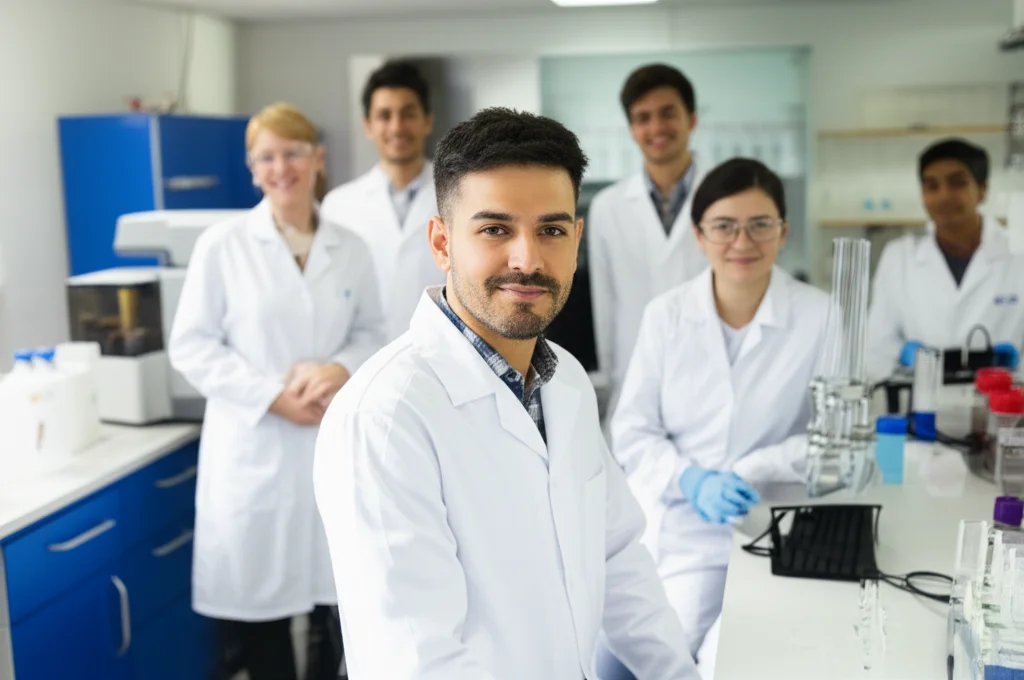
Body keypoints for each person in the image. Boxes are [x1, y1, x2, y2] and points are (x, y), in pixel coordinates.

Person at [313, 108, 700, 680]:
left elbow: (617, 560)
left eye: (551, 229)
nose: (528, 259)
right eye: (495, 229)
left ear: (576, 238)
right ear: (442, 242)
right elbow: (419, 661)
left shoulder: (564, 380)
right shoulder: (386, 415)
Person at [168, 102, 386, 680]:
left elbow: (373, 333)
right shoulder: (224, 245)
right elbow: (191, 345)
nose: (280, 167)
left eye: (293, 153)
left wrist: (337, 368)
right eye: (266, 157)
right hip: (255, 448)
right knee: (262, 623)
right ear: (252, 168)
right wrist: (272, 395)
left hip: (328, 441)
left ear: (317, 160)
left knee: (337, 607)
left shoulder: (351, 247)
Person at [603, 158, 832, 679]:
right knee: (656, 655)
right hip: (686, 523)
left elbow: (835, 439)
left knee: (738, 661)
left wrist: (757, 465)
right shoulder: (666, 314)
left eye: (760, 225)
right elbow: (632, 430)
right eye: (725, 226)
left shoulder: (821, 315)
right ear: (700, 236)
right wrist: (692, 478)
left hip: (779, 523)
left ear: (784, 231)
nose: (742, 242)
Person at [588, 63, 708, 422]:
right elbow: (604, 303)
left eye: (668, 113)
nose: (656, 128)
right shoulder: (608, 206)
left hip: (709, 372)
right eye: (643, 117)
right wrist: (611, 378)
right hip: (635, 373)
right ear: (631, 129)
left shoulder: (727, 198)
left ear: (692, 119)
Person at [866, 138, 1023, 383]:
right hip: (923, 404)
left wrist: (1014, 365)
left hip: (1003, 407)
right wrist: (905, 355)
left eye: (957, 183)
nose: (944, 196)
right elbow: (876, 347)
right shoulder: (899, 257)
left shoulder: (1018, 254)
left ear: (982, 190)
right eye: (932, 186)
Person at [321, 60, 445, 341]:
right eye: (384, 115)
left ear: (428, 120)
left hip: (443, 351)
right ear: (368, 126)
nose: (397, 126)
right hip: (366, 359)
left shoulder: (459, 197)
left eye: (408, 113)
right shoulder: (338, 206)